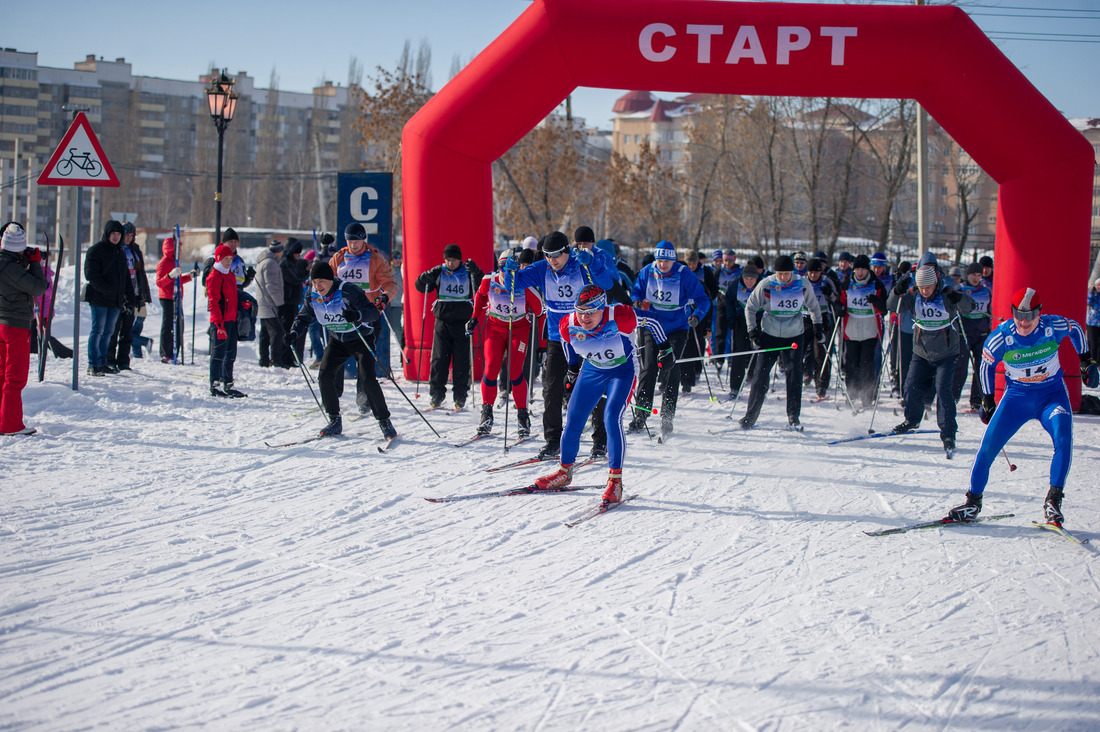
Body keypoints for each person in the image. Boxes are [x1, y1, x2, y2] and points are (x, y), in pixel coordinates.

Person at [945, 286, 1099, 526]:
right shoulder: (1002, 336)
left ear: (1040, 312)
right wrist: (987, 399)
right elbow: (985, 364)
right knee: (987, 448)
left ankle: (1053, 501)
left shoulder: (1051, 327)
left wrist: (1086, 360)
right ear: (1012, 312)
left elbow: (1077, 329)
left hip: (1051, 396)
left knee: (1063, 438)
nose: (1023, 321)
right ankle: (973, 503)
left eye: (1029, 315)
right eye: (1018, 314)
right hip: (1017, 398)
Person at [531, 285, 668, 504]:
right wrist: (572, 369)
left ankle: (615, 482)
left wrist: (665, 348)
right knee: (574, 417)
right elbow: (567, 343)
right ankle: (564, 472)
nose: (585, 317)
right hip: (592, 370)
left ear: (602, 308)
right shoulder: (569, 322)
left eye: (591, 311)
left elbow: (652, 320)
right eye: (580, 310)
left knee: (611, 417)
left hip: (621, 371)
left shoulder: (621, 315)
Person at [503, 230, 617, 459]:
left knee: (595, 388)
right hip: (558, 337)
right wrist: (510, 270)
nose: (552, 260)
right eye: (547, 255)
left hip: (588, 336)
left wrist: (592, 263)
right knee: (552, 389)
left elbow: (607, 283)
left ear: (567, 251)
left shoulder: (580, 265)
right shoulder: (542, 268)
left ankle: (600, 441)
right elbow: (512, 287)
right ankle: (553, 440)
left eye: (556, 255)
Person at [286, 261, 396, 439]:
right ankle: (334, 420)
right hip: (337, 339)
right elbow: (303, 317)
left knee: (368, 379)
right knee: (325, 374)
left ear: (331, 279)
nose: (317, 286)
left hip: (360, 338)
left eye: (321, 281)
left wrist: (357, 316)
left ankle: (384, 421)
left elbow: (373, 313)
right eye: (314, 282)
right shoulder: (312, 294)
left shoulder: (348, 291)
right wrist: (293, 333)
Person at [887, 255, 974, 453]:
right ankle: (912, 420)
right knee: (910, 386)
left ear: (935, 282)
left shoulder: (946, 293)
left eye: (928, 288)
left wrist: (959, 299)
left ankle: (948, 433)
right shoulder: (914, 294)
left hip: (946, 353)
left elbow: (970, 308)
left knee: (944, 392)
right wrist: (896, 292)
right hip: (922, 352)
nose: (925, 292)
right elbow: (892, 307)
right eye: (922, 288)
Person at [629, 242, 710, 436]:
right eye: (659, 260)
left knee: (670, 367)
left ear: (673, 260)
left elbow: (703, 299)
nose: (662, 265)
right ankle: (641, 414)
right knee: (648, 368)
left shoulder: (684, 274)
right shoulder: (647, 271)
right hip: (651, 325)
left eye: (666, 261)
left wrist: (697, 315)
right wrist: (637, 301)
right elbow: (636, 291)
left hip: (677, 328)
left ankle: (667, 416)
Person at [739, 254, 823, 430]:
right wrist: (752, 330)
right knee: (760, 374)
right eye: (780, 274)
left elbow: (814, 307)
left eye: (786, 273)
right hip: (770, 334)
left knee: (794, 374)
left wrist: (817, 326)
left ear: (792, 272)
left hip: (794, 334)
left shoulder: (802, 284)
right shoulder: (767, 284)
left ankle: (793, 415)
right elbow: (750, 307)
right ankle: (750, 415)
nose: (783, 277)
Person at [470, 249, 544, 437]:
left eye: (510, 267)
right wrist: (474, 319)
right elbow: (480, 297)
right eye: (502, 267)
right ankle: (486, 415)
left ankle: (522, 417)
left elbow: (541, 314)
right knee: (491, 368)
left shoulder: (526, 286)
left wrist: (542, 344)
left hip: (518, 330)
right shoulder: (490, 280)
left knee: (515, 371)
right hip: (494, 328)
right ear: (498, 267)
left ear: (517, 268)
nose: (505, 271)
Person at [0, 222, 48, 435]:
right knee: (15, 377)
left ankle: (3, 421)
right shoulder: (11, 268)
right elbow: (38, 287)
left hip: (2, 323)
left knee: (2, 374)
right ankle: (11, 425)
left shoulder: (6, 263)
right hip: (15, 325)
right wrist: (36, 262)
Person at [838, 254, 889, 408]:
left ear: (868, 269)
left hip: (870, 330)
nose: (860, 273)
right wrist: (839, 309)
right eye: (858, 269)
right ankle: (851, 394)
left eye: (863, 269)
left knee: (867, 363)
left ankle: (868, 395)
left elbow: (884, 310)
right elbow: (840, 302)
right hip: (851, 330)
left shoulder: (877, 285)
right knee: (851, 363)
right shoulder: (847, 284)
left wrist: (876, 301)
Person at [84, 220, 129, 376]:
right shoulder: (95, 251)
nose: (116, 237)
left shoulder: (120, 253)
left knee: (109, 333)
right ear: (107, 234)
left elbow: (126, 278)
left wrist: (129, 296)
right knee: (97, 331)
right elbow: (91, 274)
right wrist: (107, 290)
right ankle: (93, 364)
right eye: (113, 234)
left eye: (119, 234)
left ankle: (103, 362)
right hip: (99, 299)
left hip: (115, 301)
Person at [107, 221, 150, 371]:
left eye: (131, 236)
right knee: (114, 330)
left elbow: (141, 274)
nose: (128, 238)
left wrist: (142, 296)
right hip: (118, 296)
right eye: (126, 235)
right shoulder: (116, 250)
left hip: (133, 293)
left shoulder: (135, 251)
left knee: (127, 331)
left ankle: (124, 361)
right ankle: (110, 359)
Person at [206, 245, 244, 398]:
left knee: (231, 354)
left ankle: (228, 383)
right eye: (225, 259)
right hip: (220, 322)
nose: (228, 262)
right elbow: (213, 302)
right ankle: (214, 384)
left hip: (231, 319)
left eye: (230, 259)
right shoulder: (214, 276)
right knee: (218, 354)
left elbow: (234, 296)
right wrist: (219, 325)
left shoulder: (230, 275)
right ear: (218, 259)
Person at [953, 262, 992, 410]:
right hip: (964, 332)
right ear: (967, 275)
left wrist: (989, 329)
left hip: (981, 333)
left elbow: (989, 309)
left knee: (981, 366)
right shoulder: (960, 289)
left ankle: (976, 399)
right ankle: (953, 397)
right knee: (961, 366)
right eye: (973, 275)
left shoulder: (985, 290)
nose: (976, 278)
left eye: (979, 275)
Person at [680, 250, 719, 394]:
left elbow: (711, 292)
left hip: (699, 316)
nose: (691, 266)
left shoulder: (704, 275)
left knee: (696, 344)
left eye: (693, 263)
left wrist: (703, 311)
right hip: (682, 317)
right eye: (688, 264)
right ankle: (681, 376)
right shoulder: (676, 279)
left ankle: (694, 371)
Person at [803, 258, 838, 401]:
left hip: (822, 319)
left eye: (816, 272)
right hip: (804, 319)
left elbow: (836, 298)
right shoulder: (802, 282)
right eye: (811, 272)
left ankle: (821, 388)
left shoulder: (826, 281)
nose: (813, 275)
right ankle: (795, 383)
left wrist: (829, 293)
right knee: (799, 352)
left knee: (820, 354)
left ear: (820, 271)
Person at [724, 263, 760, 398]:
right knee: (738, 353)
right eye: (746, 279)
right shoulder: (735, 285)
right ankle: (735, 386)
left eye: (752, 279)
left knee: (757, 351)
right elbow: (728, 300)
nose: (749, 282)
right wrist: (730, 317)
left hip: (757, 322)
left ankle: (755, 382)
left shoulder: (763, 286)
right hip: (740, 321)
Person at [155, 237, 192, 363]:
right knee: (168, 325)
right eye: (178, 248)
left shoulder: (175, 262)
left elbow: (178, 280)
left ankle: (175, 350)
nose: (180, 251)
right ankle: (166, 352)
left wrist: (190, 276)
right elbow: (160, 282)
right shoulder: (164, 263)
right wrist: (170, 275)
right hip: (167, 297)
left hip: (177, 296)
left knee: (179, 325)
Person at [254, 240, 286, 368]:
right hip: (270, 305)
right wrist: (280, 303)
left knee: (265, 334)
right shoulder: (271, 264)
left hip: (263, 304)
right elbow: (272, 286)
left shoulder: (263, 262)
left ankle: (264, 359)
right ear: (279, 251)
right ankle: (275, 360)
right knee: (275, 334)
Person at [279, 238, 309, 366]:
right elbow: (295, 278)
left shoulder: (293, 262)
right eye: (296, 253)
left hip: (294, 301)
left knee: (293, 328)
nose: (298, 255)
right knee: (287, 330)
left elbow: (300, 266)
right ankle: (285, 358)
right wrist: (306, 272)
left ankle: (291, 357)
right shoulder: (285, 263)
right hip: (287, 301)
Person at [1086, 277, 1100, 366]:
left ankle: (1098, 362)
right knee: (1093, 342)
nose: (1099, 287)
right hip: (1092, 322)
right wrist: (1092, 292)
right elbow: (1088, 302)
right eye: (1097, 285)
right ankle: (1092, 361)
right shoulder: (1093, 294)